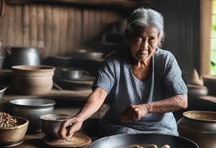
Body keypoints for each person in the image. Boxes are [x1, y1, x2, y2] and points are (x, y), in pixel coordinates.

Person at [58, 8, 188, 139]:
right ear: (128, 35)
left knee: (164, 147)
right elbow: (99, 94)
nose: (144, 47)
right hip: (121, 127)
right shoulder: (114, 61)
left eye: (151, 40)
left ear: (159, 38)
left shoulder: (166, 60)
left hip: (160, 129)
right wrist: (79, 118)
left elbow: (182, 100)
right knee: (123, 141)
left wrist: (147, 108)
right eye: (139, 39)